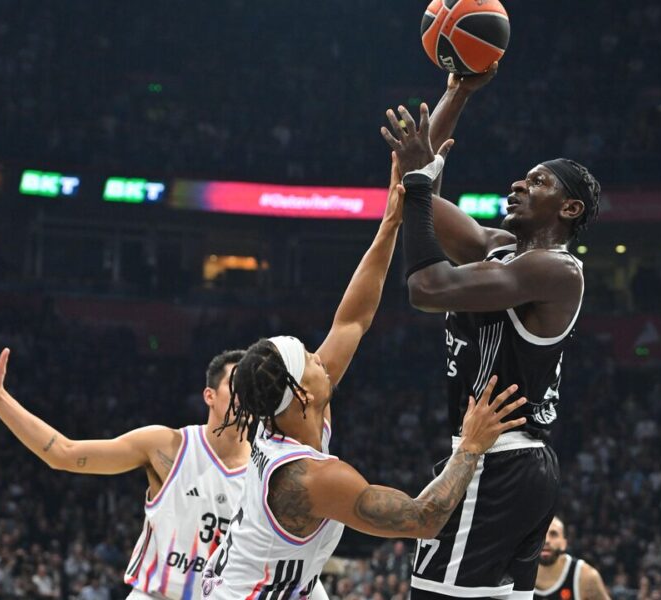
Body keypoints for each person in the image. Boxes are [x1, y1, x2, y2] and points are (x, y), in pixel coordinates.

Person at [199, 156, 528, 599]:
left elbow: (352, 320)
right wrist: (470, 446)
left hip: (277, 582)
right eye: (311, 361)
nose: (321, 359)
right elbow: (423, 519)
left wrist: (390, 222)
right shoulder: (310, 479)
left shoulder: (290, 408)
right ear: (301, 396)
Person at [379, 66, 601, 599]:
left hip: (497, 459)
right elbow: (416, 201)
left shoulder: (555, 270)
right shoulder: (498, 247)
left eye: (538, 181)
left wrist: (414, 180)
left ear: (569, 209)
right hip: (504, 460)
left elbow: (427, 288)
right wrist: (457, 92)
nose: (518, 184)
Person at [0, 341, 275, 600]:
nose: (244, 398)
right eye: (236, 388)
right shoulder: (167, 447)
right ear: (209, 396)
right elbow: (64, 453)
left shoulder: (268, 470)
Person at [535, 517, 610, 600]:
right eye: (541, 534)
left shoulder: (586, 576)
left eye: (553, 534)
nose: (546, 540)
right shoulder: (518, 573)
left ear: (564, 543)